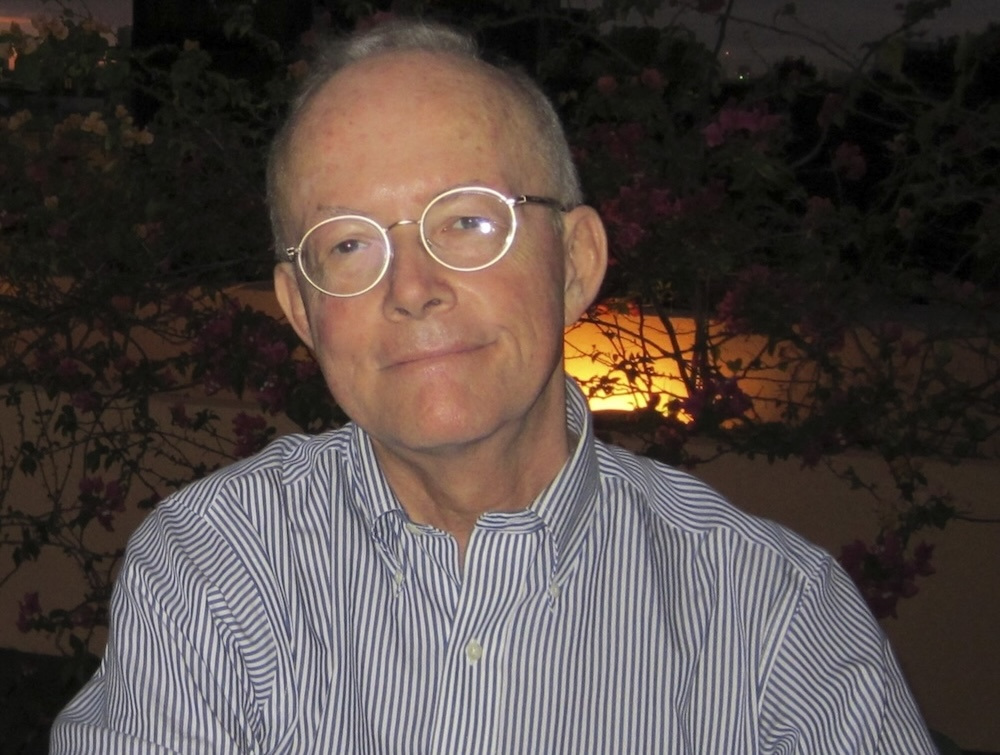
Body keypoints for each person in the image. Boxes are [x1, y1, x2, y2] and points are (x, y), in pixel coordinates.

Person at [52, 17, 936, 754]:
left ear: (577, 260)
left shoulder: (778, 620)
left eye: (468, 220)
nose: (411, 286)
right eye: (350, 243)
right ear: (299, 305)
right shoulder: (212, 573)